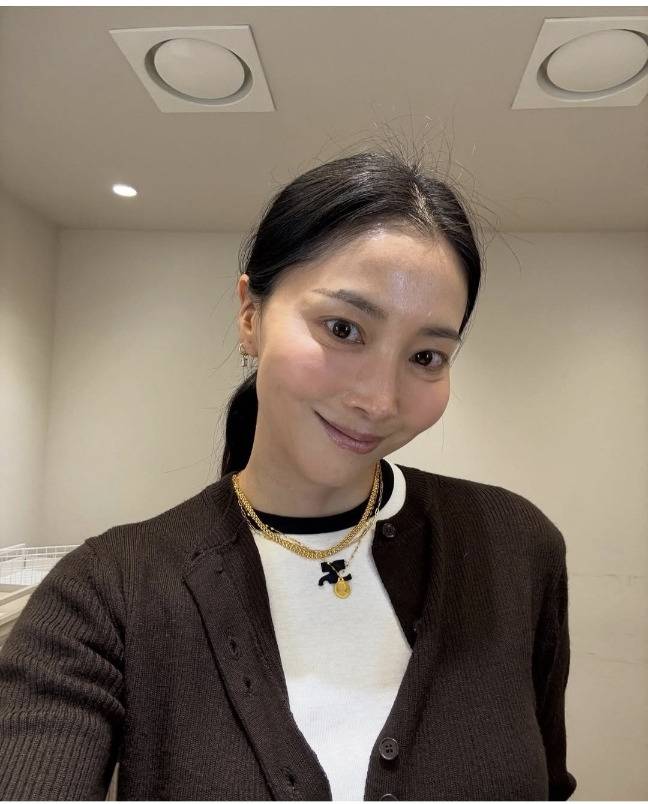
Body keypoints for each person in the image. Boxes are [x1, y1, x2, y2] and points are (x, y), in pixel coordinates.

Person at [0, 146, 577, 801]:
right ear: (250, 315)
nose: (380, 400)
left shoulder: (513, 546)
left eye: (426, 356)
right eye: (343, 328)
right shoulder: (109, 594)